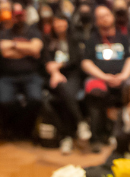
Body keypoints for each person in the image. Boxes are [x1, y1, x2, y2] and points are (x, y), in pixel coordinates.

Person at [81, 5, 130, 153]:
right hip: (99, 78)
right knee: (94, 91)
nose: (104, 18)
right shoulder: (92, 39)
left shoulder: (123, 37)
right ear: (96, 21)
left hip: (123, 77)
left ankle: (127, 135)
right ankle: (96, 137)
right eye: (100, 17)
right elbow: (86, 62)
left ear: (112, 17)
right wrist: (104, 77)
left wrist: (123, 76)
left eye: (106, 15)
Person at [0, 6, 44, 139]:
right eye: (16, 15)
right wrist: (27, 50)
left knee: (36, 99)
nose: (19, 18)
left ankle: (26, 129)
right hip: (8, 76)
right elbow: (4, 51)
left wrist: (14, 46)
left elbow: (35, 49)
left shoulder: (33, 31)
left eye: (21, 15)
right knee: (5, 101)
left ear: (25, 15)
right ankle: (12, 129)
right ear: (12, 16)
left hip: (31, 75)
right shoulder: (4, 32)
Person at [42, 13, 88, 154]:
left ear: (67, 23)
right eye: (56, 22)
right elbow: (46, 60)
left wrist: (58, 67)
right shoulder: (48, 40)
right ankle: (81, 122)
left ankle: (66, 137)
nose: (59, 25)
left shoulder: (75, 39)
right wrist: (55, 72)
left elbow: (75, 60)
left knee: (65, 96)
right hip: (53, 76)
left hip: (72, 75)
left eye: (61, 22)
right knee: (61, 89)